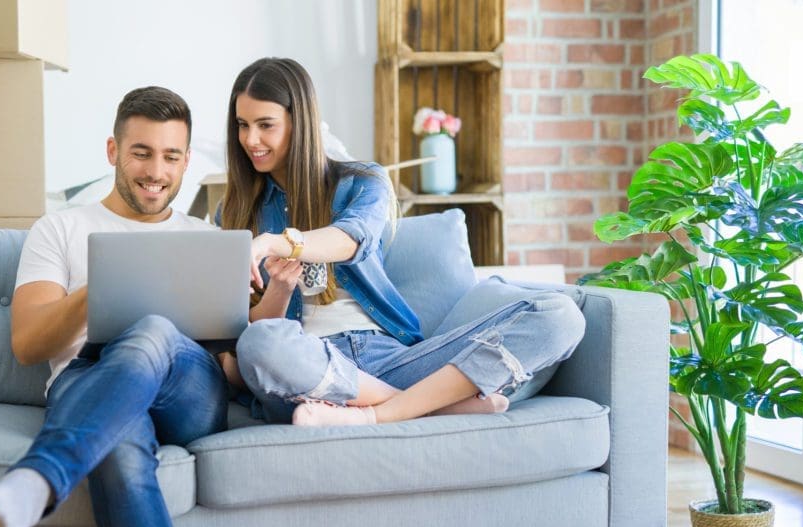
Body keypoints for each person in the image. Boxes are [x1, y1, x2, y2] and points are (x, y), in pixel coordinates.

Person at [0, 87, 227, 527]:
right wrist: (102, 286)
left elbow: (229, 358)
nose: (156, 172)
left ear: (186, 162)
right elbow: (30, 344)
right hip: (92, 379)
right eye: (141, 152)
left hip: (187, 387)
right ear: (113, 149)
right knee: (120, 458)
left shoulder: (205, 238)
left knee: (154, 329)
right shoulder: (59, 229)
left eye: (171, 156)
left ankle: (35, 482)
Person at [218, 57, 585, 425]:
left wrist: (277, 242)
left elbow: (351, 240)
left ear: (300, 123)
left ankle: (373, 415)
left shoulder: (363, 182)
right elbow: (247, 330)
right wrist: (279, 291)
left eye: (266, 125)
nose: (251, 140)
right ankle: (431, 405)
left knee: (560, 315)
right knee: (258, 344)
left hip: (390, 361)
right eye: (242, 125)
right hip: (306, 367)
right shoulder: (233, 213)